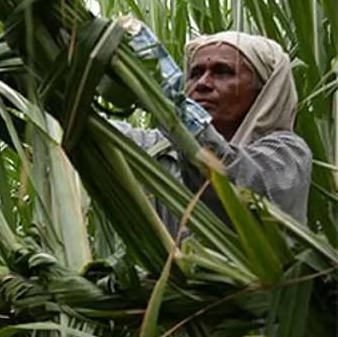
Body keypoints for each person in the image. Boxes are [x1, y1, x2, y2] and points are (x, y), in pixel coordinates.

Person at [114, 22, 312, 238]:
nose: (203, 84)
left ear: (264, 91)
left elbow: (231, 183)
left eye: (223, 72)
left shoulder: (288, 154)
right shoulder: (161, 150)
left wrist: (169, 103)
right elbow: (108, 136)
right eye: (195, 73)